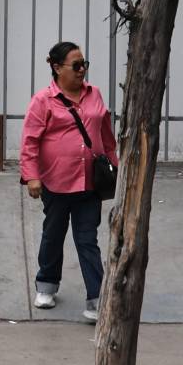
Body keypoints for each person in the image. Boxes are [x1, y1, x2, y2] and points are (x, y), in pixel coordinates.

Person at [21, 42, 116, 322]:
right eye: (76, 65)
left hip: (90, 184)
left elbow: (106, 134)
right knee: (54, 234)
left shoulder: (94, 94)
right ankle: (47, 284)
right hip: (56, 181)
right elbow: (30, 142)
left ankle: (96, 298)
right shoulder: (43, 100)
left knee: (88, 240)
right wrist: (32, 176)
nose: (82, 70)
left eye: (84, 63)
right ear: (57, 67)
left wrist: (114, 165)